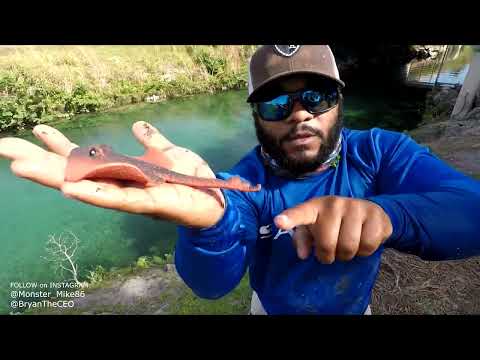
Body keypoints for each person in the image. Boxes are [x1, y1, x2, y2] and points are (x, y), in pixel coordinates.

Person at [1, 45, 479, 315]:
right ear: (255, 116)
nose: (299, 115)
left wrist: (387, 213)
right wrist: (207, 224)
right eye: (275, 104)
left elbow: (470, 211)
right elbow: (211, 286)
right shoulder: (243, 185)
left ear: (339, 99)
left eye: (316, 96)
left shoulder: (380, 151)